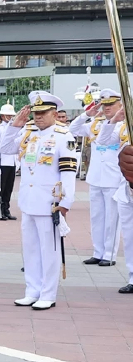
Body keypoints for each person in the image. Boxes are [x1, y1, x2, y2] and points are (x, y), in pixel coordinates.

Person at [0, 92, 78, 310]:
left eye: (43, 113)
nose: (39, 117)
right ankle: (31, 290)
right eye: (36, 113)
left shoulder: (64, 136)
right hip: (28, 200)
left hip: (49, 203)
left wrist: (66, 202)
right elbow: (5, 149)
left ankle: (48, 293)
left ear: (54, 113)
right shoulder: (28, 133)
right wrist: (15, 126)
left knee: (49, 250)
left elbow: (68, 173)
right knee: (31, 249)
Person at [70, 89, 124, 266]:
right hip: (95, 176)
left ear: (120, 105)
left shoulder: (124, 125)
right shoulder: (96, 123)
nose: (107, 108)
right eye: (105, 105)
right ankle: (98, 251)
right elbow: (73, 129)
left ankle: (109, 254)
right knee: (97, 217)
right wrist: (87, 114)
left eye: (111, 105)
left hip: (114, 177)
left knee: (112, 219)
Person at [89, 106, 133, 294]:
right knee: (130, 236)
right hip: (126, 187)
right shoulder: (124, 128)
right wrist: (115, 120)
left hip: (118, 182)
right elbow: (102, 140)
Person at [0, 103, 18, 220]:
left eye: (11, 115)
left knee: (9, 189)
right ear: (2, 116)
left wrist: (18, 163)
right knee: (0, 188)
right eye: (7, 115)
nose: (9, 117)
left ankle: (6, 210)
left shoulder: (16, 128)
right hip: (2, 162)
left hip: (12, 162)